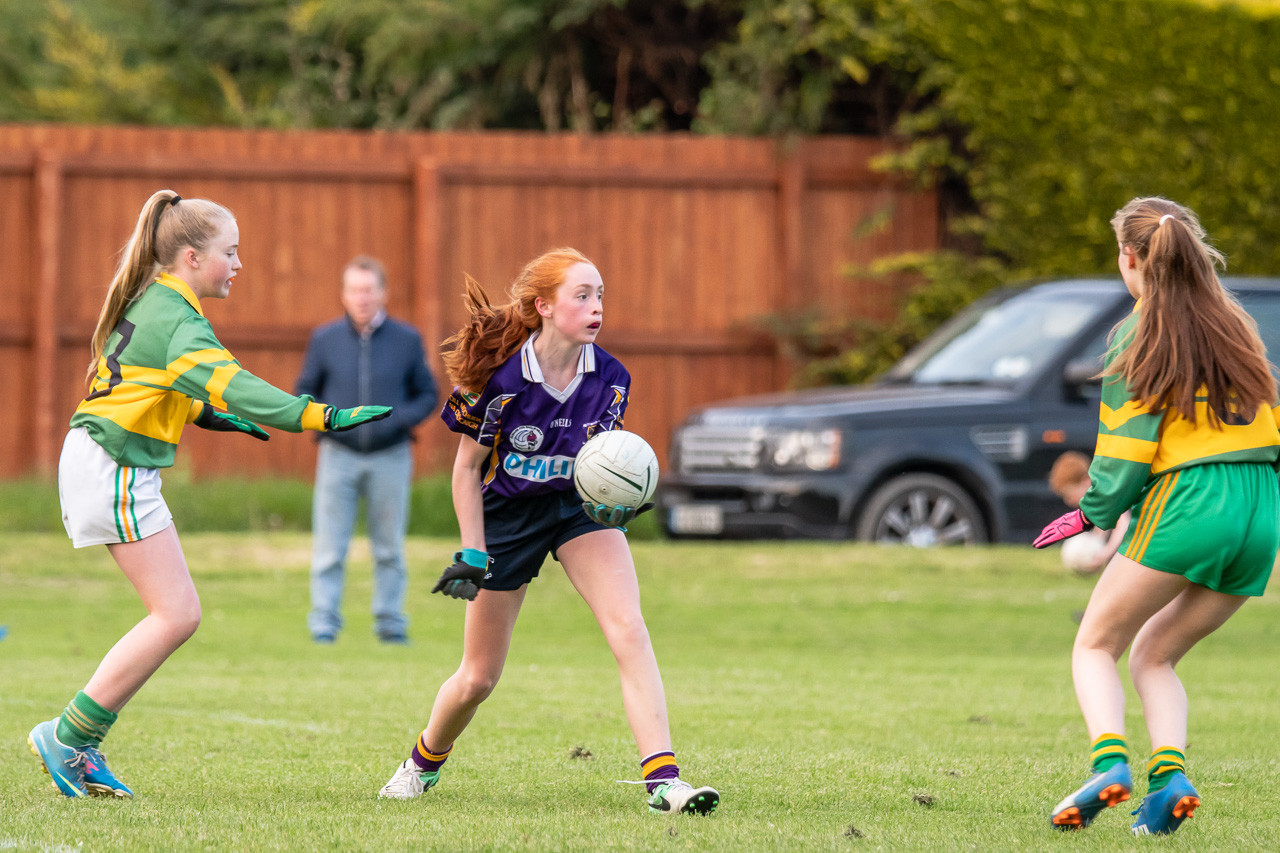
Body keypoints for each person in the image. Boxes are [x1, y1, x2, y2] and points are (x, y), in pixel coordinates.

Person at [27, 190, 392, 799]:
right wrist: (316, 416)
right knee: (176, 615)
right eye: (232, 251)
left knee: (178, 614)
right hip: (112, 464)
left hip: (108, 460)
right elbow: (235, 384)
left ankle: (76, 740)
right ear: (193, 257)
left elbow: (146, 381)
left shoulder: (158, 301)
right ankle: (69, 737)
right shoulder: (177, 314)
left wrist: (201, 415)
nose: (239, 263)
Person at [376, 248, 719, 815]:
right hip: (508, 519)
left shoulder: (611, 378)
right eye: (582, 295)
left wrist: (621, 500)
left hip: (575, 512)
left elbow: (599, 466)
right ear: (545, 306)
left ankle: (665, 782)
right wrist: (472, 549)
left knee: (629, 628)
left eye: (600, 294)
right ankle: (420, 764)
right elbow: (465, 470)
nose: (596, 306)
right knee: (479, 678)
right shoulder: (500, 381)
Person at [1034, 197, 1280, 836]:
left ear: (1130, 258)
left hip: (1189, 504)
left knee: (1095, 644)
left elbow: (1124, 453)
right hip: (1259, 511)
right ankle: (1168, 781)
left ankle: (1109, 763)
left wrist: (1088, 514)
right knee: (1155, 655)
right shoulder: (1237, 325)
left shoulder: (1137, 331)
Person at [295, 256, 438, 645]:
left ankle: (390, 622)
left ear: (382, 292)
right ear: (344, 295)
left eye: (369, 289)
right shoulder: (324, 339)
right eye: (355, 290)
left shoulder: (407, 340)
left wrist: (395, 420)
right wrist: (329, 419)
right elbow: (304, 391)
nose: (362, 298)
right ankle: (324, 621)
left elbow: (428, 395)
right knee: (329, 547)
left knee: (389, 547)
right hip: (336, 456)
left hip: (390, 456)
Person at [1048, 451, 1129, 576]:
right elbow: (1103, 524)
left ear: (1085, 481)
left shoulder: (1103, 491)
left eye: (1069, 494)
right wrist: (1096, 543)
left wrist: (1105, 553)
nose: (1067, 500)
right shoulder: (1095, 499)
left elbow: (1123, 523)